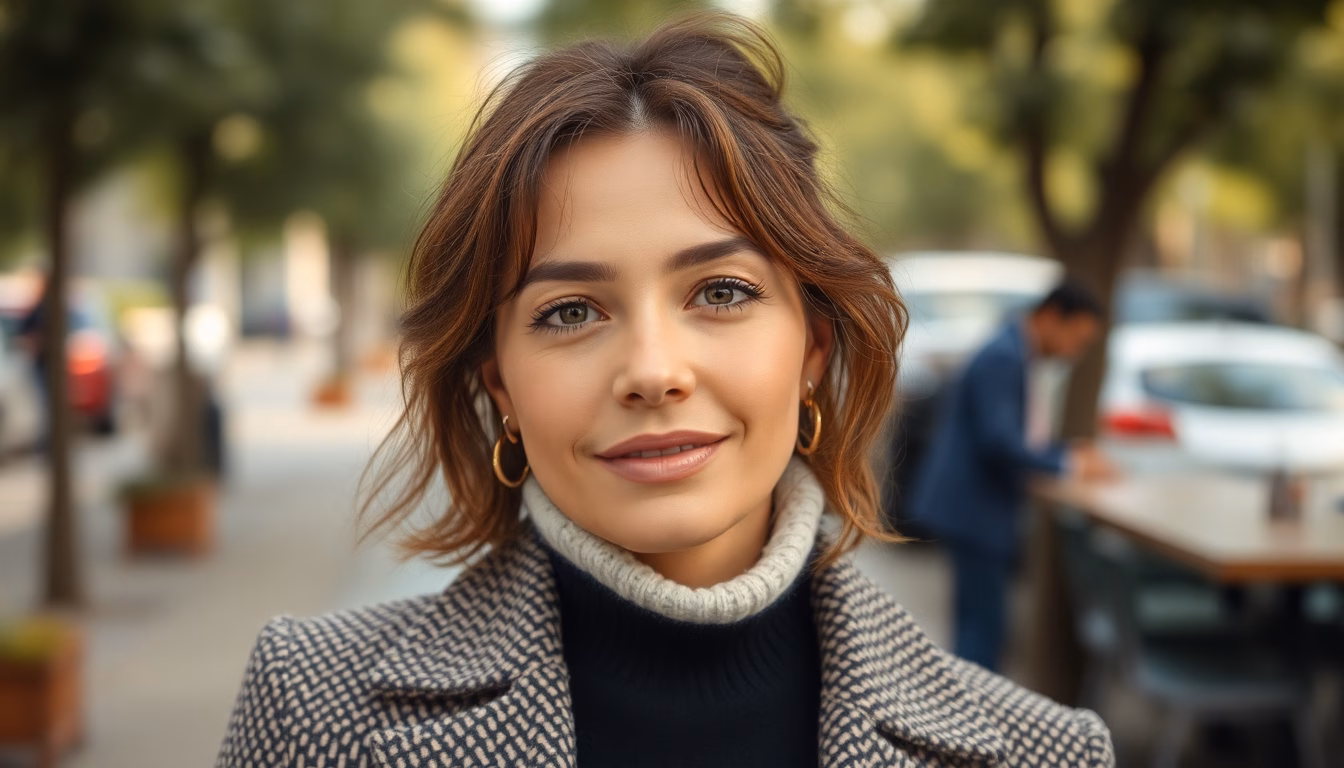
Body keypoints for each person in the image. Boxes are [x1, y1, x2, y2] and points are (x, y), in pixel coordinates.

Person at [217, 14, 1114, 767]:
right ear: (498, 382)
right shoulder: (313, 714)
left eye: (721, 293)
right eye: (570, 311)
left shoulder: (1041, 752)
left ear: (813, 347)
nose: (652, 370)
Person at [909, 279, 1115, 673]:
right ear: (1053, 317)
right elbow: (1000, 441)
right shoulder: (1005, 356)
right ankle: (973, 723)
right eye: (1078, 339)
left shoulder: (1013, 348)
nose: (1076, 352)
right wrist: (1069, 463)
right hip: (975, 510)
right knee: (981, 633)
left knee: (978, 624)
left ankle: (968, 717)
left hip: (973, 507)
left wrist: (1065, 455)